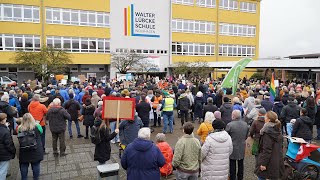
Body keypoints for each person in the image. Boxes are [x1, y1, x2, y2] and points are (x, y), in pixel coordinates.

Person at [255, 111, 284, 180]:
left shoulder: (267, 132)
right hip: (276, 160)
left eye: (265, 117)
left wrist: (263, 164)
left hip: (268, 161)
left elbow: (267, 149)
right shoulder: (278, 129)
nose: (264, 118)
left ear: (269, 119)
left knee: (262, 176)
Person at [17, 113, 44, 180]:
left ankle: (24, 178)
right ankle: (36, 178)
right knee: (36, 165)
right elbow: (41, 132)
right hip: (35, 148)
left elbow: (18, 134)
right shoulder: (37, 126)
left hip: (24, 149)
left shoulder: (19, 128)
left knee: (24, 165)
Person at [225, 110, 249, 180]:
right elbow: (246, 136)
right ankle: (240, 177)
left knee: (232, 164)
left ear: (233, 116)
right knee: (241, 163)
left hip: (232, 146)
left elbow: (226, 136)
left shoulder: (230, 125)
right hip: (242, 145)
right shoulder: (245, 124)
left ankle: (233, 178)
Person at [0, 113, 16, 180]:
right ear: (2, 120)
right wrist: (13, 151)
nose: (6, 119)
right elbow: (9, 144)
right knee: (3, 170)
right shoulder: (5, 131)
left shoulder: (4, 129)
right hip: (3, 153)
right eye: (5, 118)